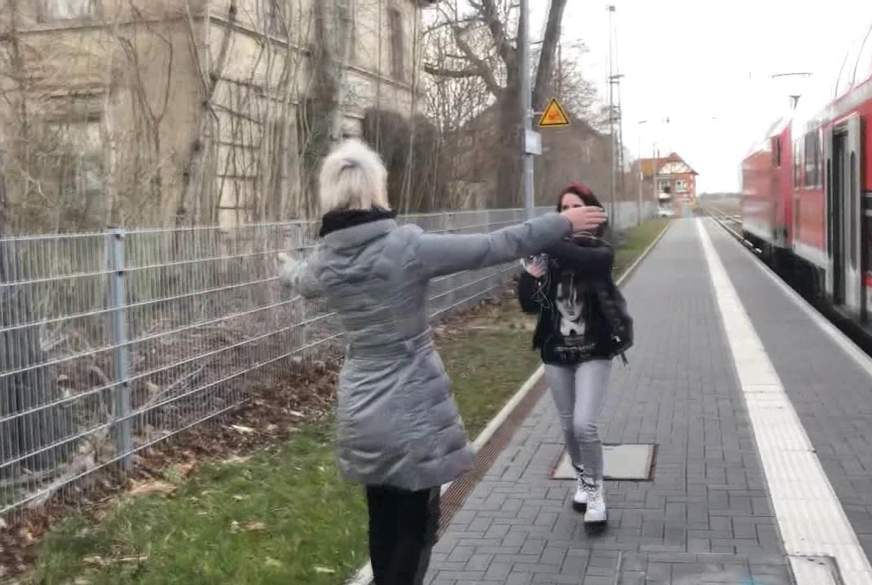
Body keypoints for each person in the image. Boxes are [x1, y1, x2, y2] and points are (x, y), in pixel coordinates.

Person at [277, 139, 607, 585]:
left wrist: (284, 265)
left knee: (382, 520)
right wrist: (562, 222)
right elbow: (494, 246)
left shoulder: (325, 261)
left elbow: (301, 280)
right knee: (416, 528)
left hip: (360, 409)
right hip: (412, 411)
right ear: (375, 189)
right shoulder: (406, 247)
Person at [517, 182, 633, 525]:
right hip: (556, 353)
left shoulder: (601, 251)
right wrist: (528, 276)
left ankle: (596, 492)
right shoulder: (548, 255)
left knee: (584, 424)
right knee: (568, 426)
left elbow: (579, 259)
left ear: (591, 213)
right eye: (563, 209)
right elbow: (529, 305)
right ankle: (582, 478)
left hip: (593, 350)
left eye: (575, 207)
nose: (569, 214)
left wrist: (542, 236)